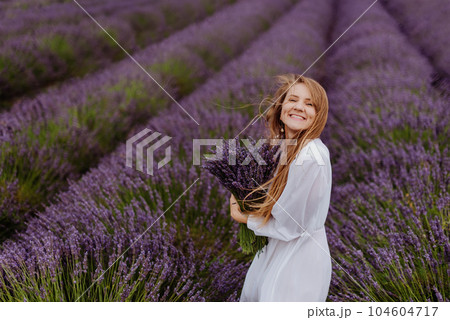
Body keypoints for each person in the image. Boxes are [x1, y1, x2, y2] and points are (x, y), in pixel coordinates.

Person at [230, 73, 332, 301]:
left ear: (318, 114)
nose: (299, 107)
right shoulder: (283, 147)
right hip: (276, 249)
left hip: (297, 260)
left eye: (309, 104)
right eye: (293, 100)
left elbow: (292, 225)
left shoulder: (311, 157)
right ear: (281, 106)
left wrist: (244, 217)